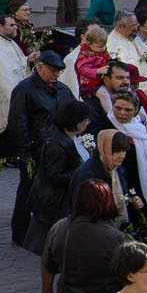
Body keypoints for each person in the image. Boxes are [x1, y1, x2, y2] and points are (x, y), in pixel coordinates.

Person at [8, 50, 74, 246]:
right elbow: (17, 122)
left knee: (52, 192)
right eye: (52, 71)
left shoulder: (63, 90)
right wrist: (25, 153)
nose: (55, 75)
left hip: (57, 149)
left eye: (58, 72)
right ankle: (20, 231)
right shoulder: (25, 89)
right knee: (28, 190)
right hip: (35, 149)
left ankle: (48, 231)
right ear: (40, 67)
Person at [26, 100, 94, 256]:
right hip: (54, 202)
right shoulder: (57, 144)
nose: (87, 123)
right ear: (75, 121)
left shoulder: (69, 137)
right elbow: (54, 175)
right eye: (85, 120)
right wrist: (80, 174)